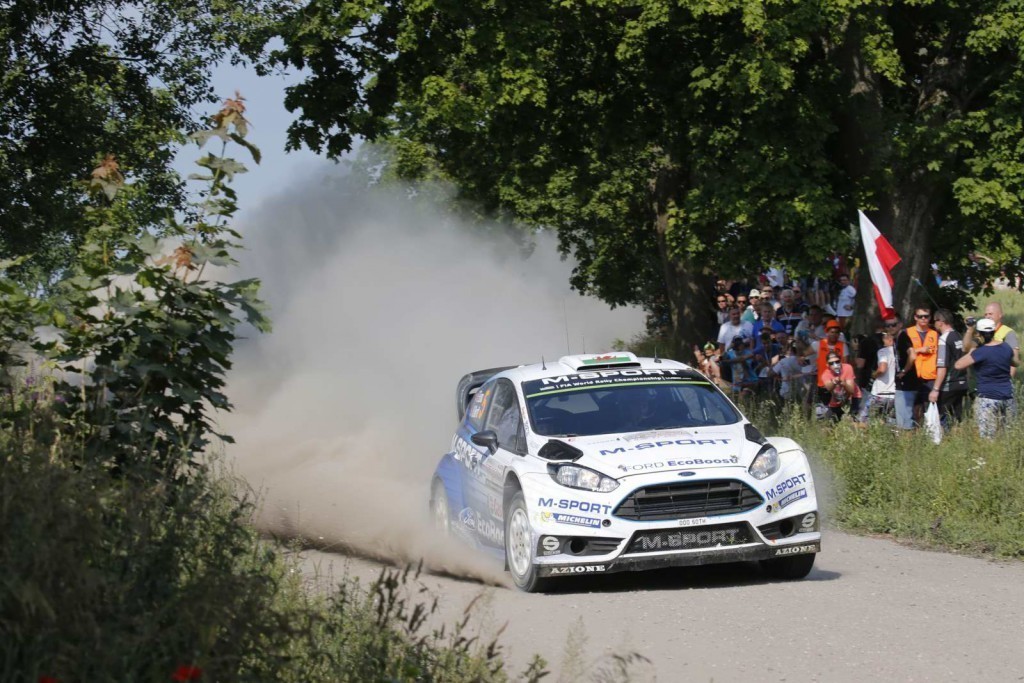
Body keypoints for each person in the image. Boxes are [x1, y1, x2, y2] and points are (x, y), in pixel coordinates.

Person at [955, 318, 1019, 439]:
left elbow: (958, 365)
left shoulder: (980, 352)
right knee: (1009, 436)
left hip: (987, 397)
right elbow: (1015, 362)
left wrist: (972, 350)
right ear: (994, 332)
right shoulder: (1006, 347)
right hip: (1007, 395)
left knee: (988, 437)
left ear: (979, 334)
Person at [894, 307, 937, 430]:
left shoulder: (935, 334)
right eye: (920, 316)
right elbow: (905, 353)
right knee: (909, 412)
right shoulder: (906, 333)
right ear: (915, 317)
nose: (923, 319)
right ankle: (911, 435)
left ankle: (924, 435)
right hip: (911, 377)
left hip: (929, 378)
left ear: (930, 317)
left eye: (926, 316)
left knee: (927, 413)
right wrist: (920, 350)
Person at [930, 309, 968, 426]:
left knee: (942, 419)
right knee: (957, 420)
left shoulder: (943, 339)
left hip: (949, 384)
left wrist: (935, 389)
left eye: (935, 321)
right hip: (962, 383)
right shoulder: (958, 336)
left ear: (940, 322)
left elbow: (942, 367)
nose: (934, 324)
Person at [964, 301, 1020, 377]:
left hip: (1001, 378)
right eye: (986, 314)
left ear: (1000, 315)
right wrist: (970, 330)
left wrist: (1008, 379)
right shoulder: (982, 333)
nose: (987, 316)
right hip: (984, 378)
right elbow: (966, 348)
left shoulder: (1008, 332)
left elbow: (1014, 360)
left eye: (990, 314)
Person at [857, 326, 897, 423]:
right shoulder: (899, 353)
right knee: (887, 422)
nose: (882, 340)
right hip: (894, 395)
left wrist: (874, 374)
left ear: (889, 339)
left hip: (880, 393)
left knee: (863, 420)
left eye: (884, 337)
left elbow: (882, 369)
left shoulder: (883, 351)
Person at [819, 351, 861, 422]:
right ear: (828, 365)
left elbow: (851, 390)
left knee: (854, 421)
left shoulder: (847, 368)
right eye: (831, 363)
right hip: (836, 400)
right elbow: (829, 388)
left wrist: (843, 383)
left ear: (840, 361)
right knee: (829, 423)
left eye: (837, 361)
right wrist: (834, 382)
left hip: (853, 398)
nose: (835, 364)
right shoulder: (825, 374)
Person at [815, 319, 849, 407]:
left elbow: (845, 365)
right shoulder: (819, 344)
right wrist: (801, 357)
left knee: (838, 409)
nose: (834, 334)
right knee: (823, 408)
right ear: (827, 332)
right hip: (823, 383)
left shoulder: (843, 346)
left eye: (836, 332)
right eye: (832, 332)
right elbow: (804, 353)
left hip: (837, 384)